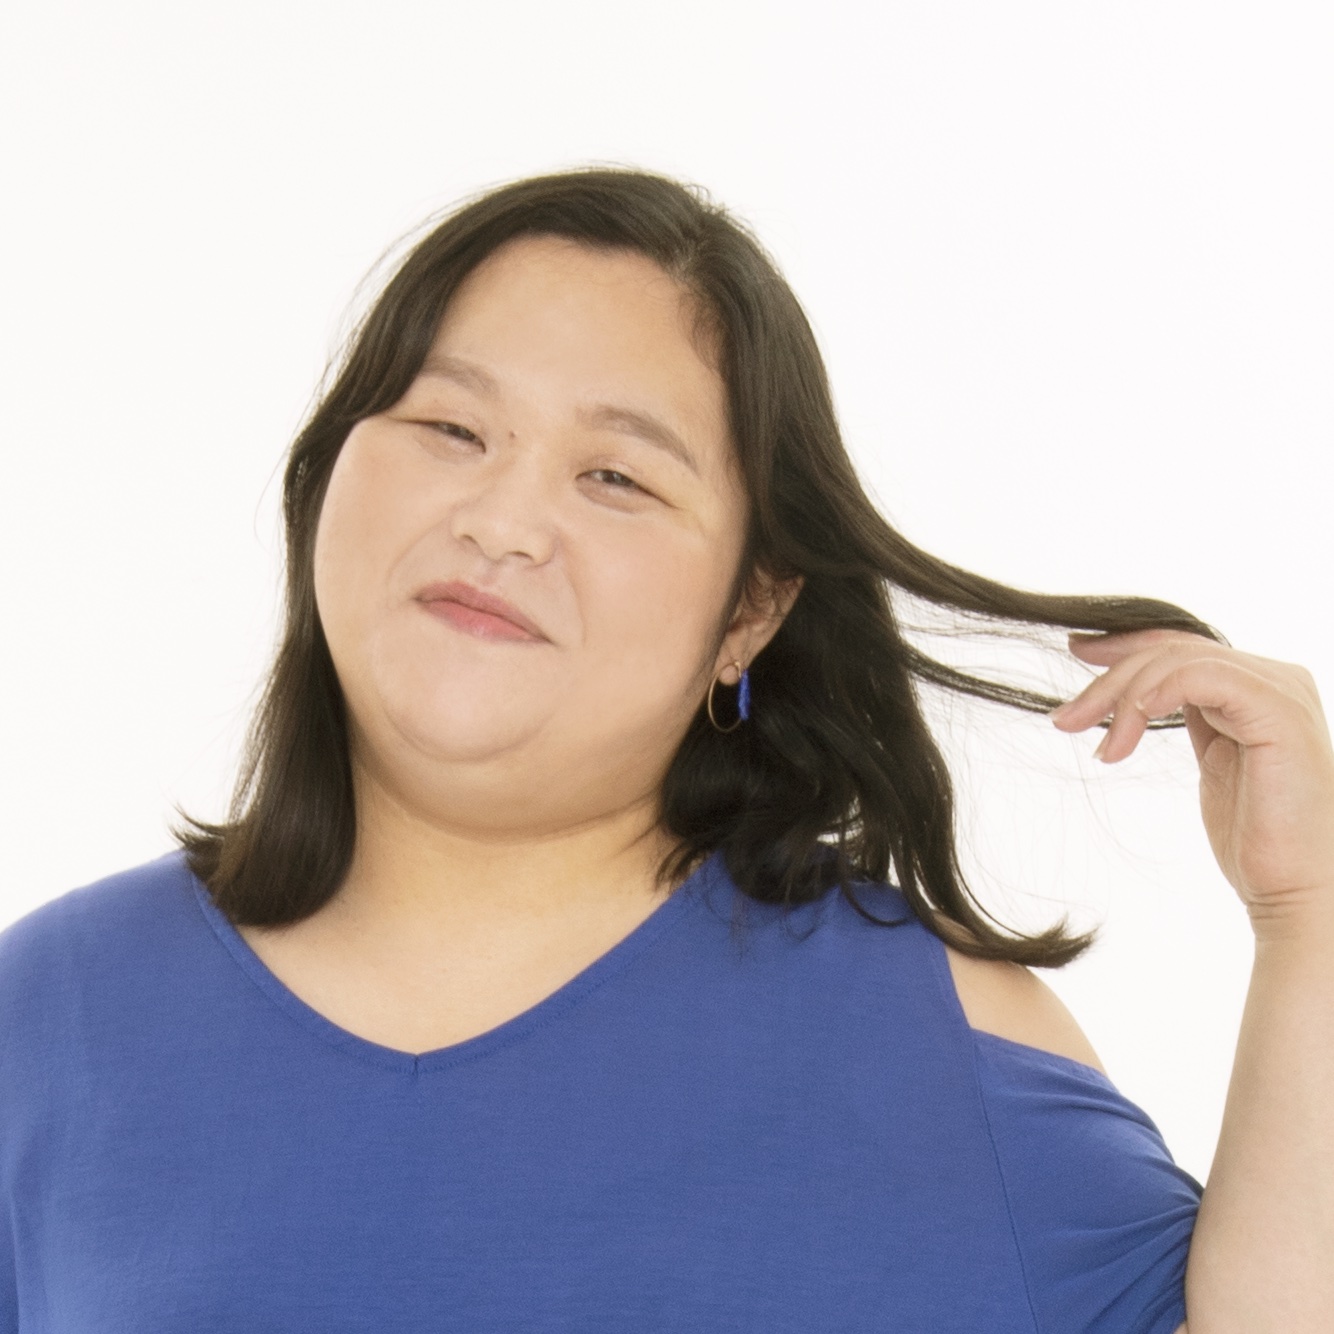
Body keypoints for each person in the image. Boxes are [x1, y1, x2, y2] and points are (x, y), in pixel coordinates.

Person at [1, 168, 1330, 1333]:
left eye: (616, 477)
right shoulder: (55, 1012)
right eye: (452, 429)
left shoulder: (932, 1038)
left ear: (749, 610)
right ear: (325, 479)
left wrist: (1307, 911)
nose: (502, 521)